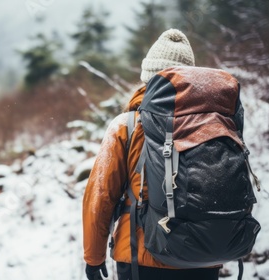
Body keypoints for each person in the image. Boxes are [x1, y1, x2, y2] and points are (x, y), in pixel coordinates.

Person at [82, 29, 221, 279]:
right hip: (202, 256)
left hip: (142, 257)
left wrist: (94, 258)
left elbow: (101, 195)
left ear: (148, 78)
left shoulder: (127, 125)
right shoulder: (213, 124)